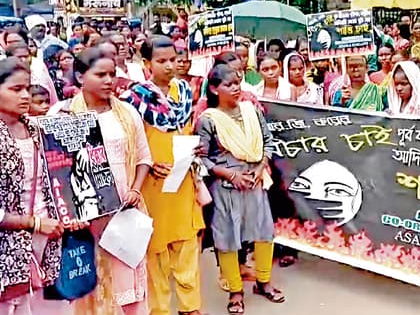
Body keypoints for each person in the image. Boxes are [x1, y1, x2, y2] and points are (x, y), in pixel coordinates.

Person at [49, 48, 153, 315]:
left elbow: (143, 157)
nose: (109, 80)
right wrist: (71, 212)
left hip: (125, 212)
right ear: (80, 77)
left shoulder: (127, 113)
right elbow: (54, 168)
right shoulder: (61, 115)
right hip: (84, 217)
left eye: (112, 74)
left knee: (127, 281)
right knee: (91, 283)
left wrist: (135, 190)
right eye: (100, 75)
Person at [120, 36, 204, 315]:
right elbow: (127, 143)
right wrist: (148, 163)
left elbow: (187, 130)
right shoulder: (133, 99)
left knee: (187, 245)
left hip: (183, 181)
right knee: (155, 252)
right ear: (146, 63)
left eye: (173, 59)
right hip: (152, 185)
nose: (170, 66)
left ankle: (190, 308)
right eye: (161, 61)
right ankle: (159, 310)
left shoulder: (184, 91)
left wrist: (196, 148)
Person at [196, 64, 285, 314]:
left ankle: (263, 282)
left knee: (264, 232)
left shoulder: (251, 111)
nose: (236, 88)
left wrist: (260, 167)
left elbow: (268, 142)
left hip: (255, 180)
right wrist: (231, 175)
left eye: (237, 83)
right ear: (215, 89)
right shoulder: (208, 120)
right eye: (229, 85)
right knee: (227, 238)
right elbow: (202, 158)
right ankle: (235, 291)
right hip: (226, 187)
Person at [0, 58, 64, 315]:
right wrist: (34, 223)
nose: (25, 96)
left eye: (27, 88)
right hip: (8, 249)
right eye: (16, 89)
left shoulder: (37, 129)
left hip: (48, 240)